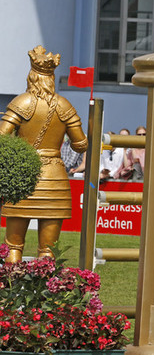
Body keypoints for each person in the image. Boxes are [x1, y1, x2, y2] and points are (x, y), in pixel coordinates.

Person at [1, 46, 88, 264]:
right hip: (54, 178)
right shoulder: (64, 105)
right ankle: (47, 293)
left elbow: (2, 137)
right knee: (48, 251)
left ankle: (9, 291)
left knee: (13, 248)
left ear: (31, 76)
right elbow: (80, 144)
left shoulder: (21, 102)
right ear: (51, 78)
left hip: (22, 177)